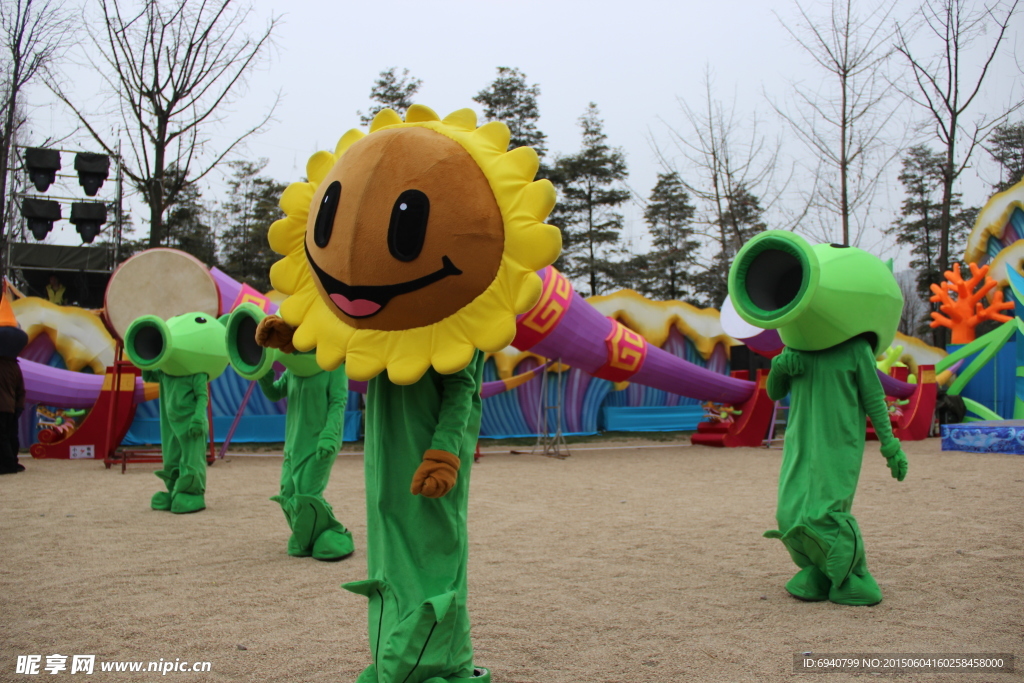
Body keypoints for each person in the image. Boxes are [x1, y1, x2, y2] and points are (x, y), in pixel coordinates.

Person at [0, 294, 28, 474]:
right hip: (11, 407)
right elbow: (21, 390)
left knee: (2, 437)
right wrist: (18, 407)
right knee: (10, 435)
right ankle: (13, 462)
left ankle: (7, 465)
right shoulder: (14, 366)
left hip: (2, 406)